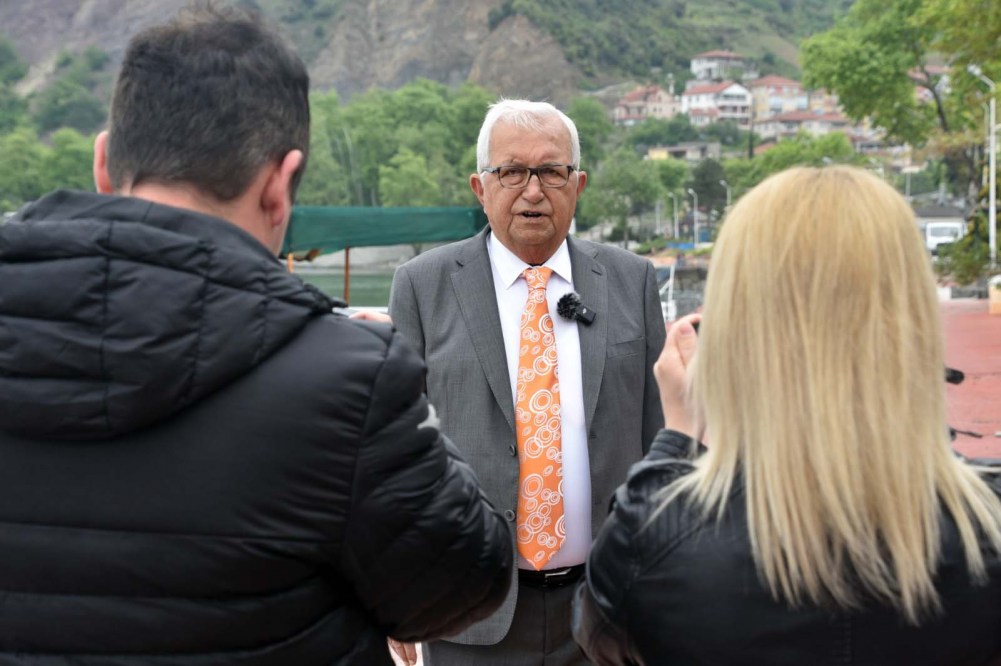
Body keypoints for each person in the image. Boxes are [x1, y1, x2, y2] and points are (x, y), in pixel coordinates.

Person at [0, 7, 511, 665]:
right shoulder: (344, 384)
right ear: (279, 184)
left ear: (104, 163)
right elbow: (461, 584)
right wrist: (405, 405)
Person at [573, 165, 1001, 665]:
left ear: (734, 326)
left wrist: (678, 436)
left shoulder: (654, 541)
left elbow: (600, 635)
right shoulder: (985, 526)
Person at [388, 99, 666, 665]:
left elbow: (664, 438)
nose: (533, 191)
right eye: (512, 171)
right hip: (468, 604)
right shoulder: (422, 286)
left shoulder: (631, 281)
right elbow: (392, 451)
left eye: (551, 171)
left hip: (610, 607)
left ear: (578, 184)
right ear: (480, 187)